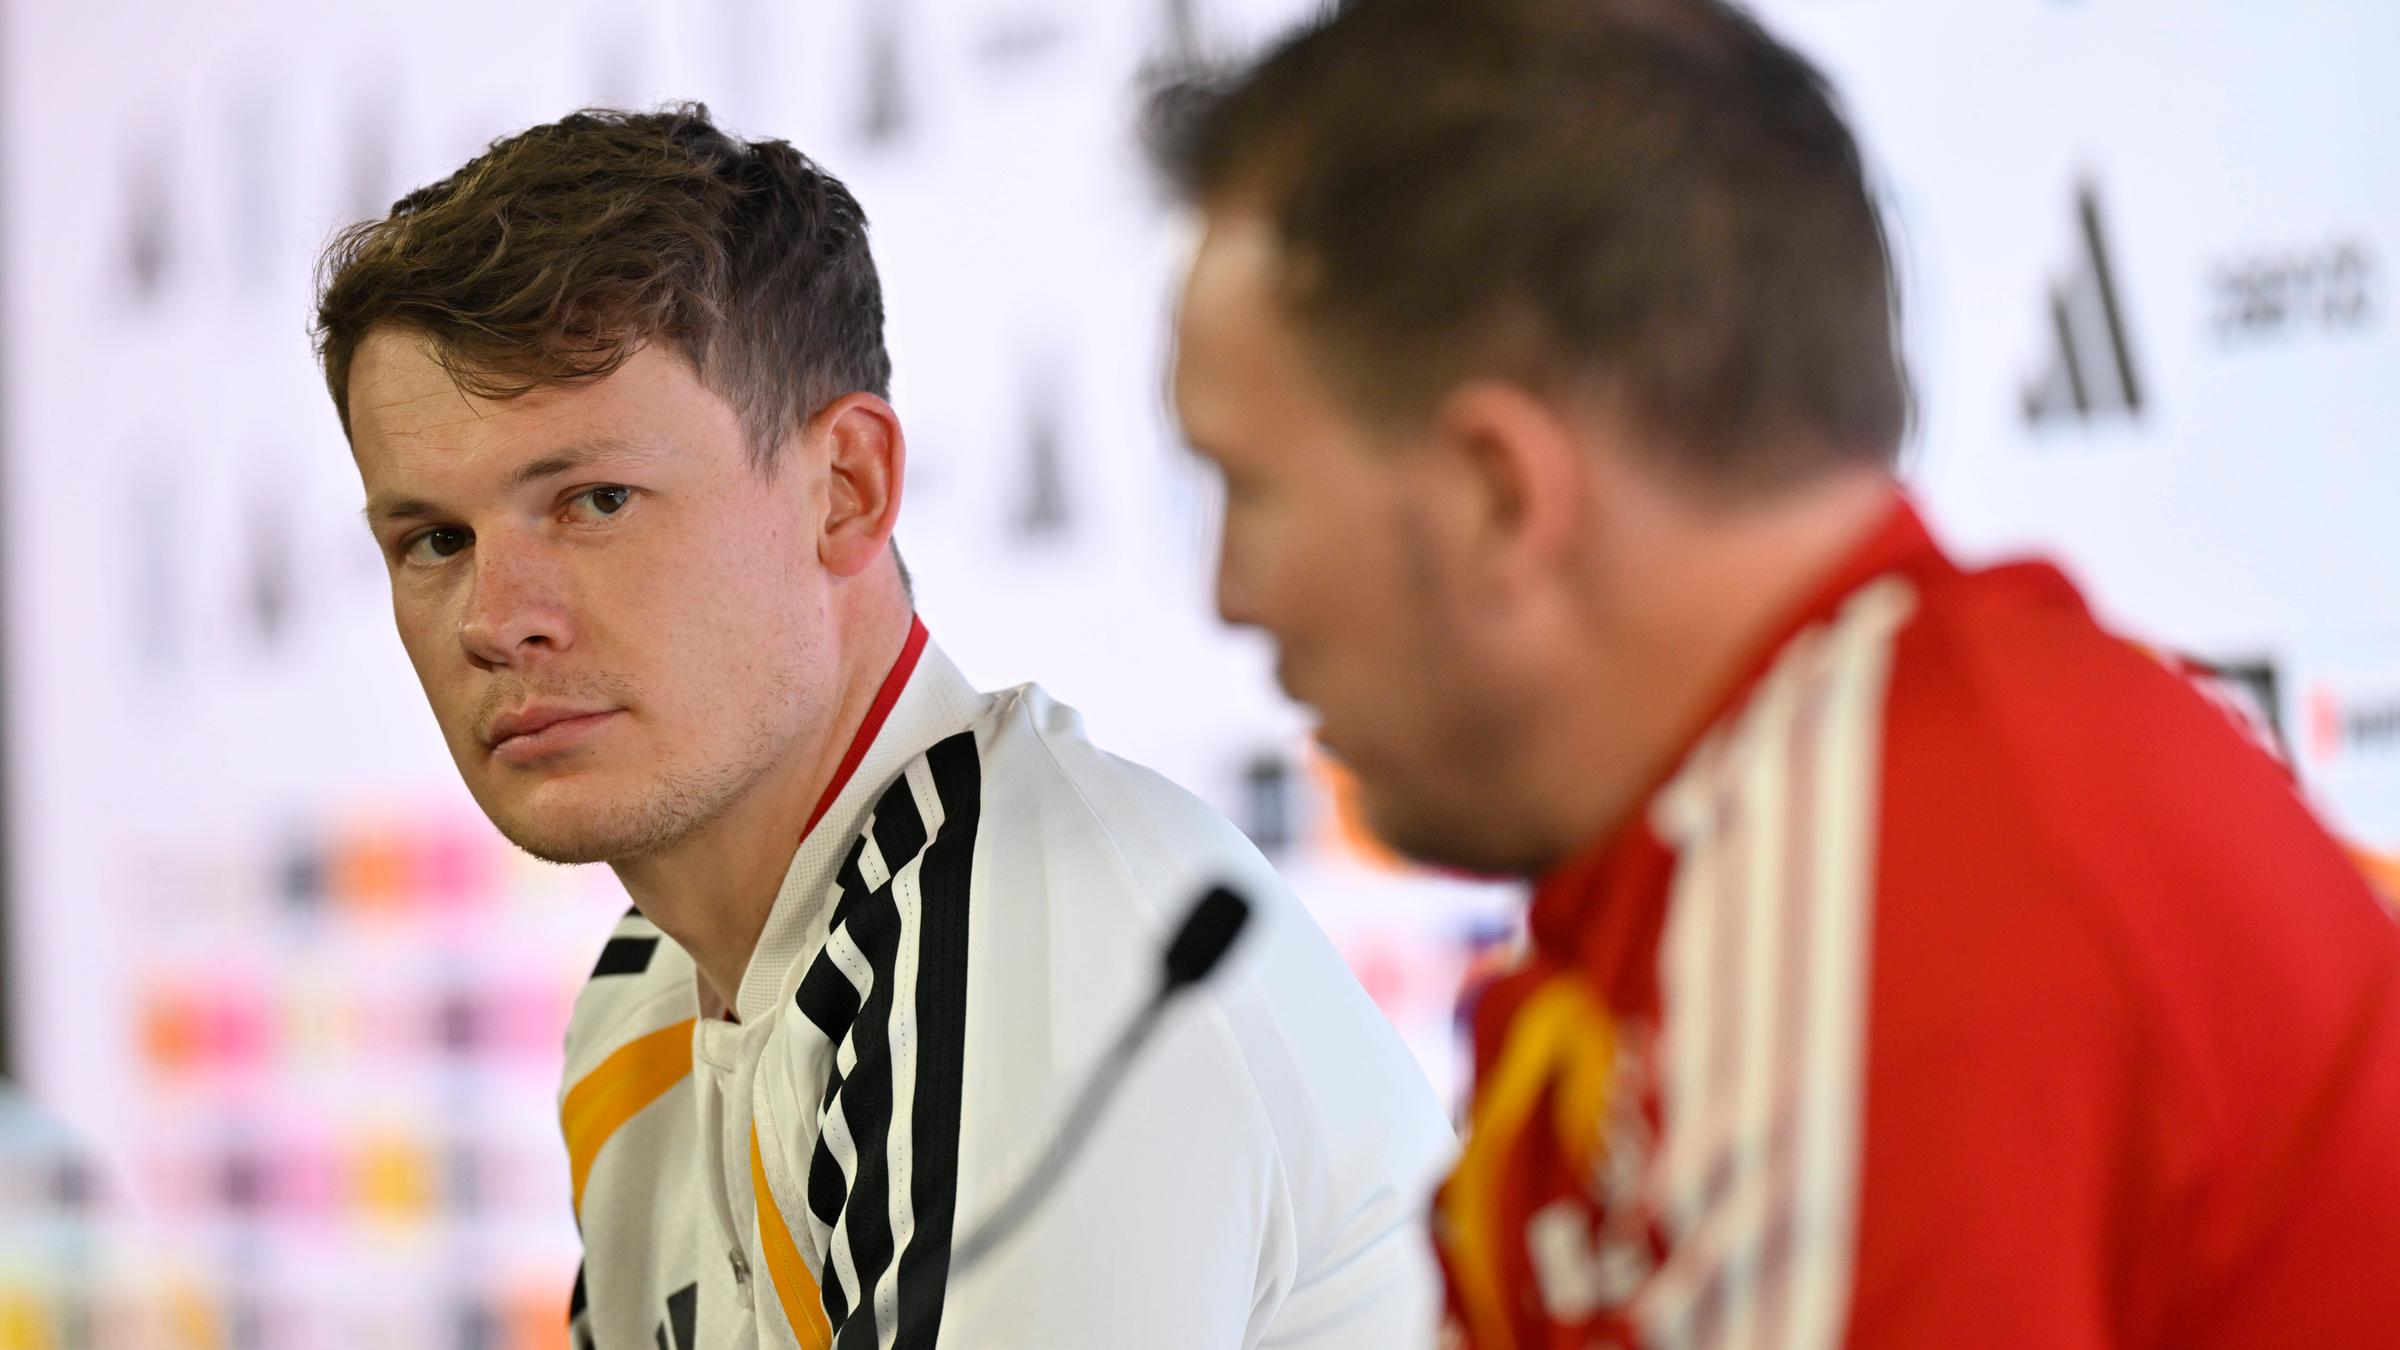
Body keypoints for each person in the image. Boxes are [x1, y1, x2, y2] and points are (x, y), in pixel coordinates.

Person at [1154, 1, 2400, 1345]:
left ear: (1500, 495)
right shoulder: (1751, 848)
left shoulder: (1883, 852)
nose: (1233, 594)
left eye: (1249, 488)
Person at [313, 105, 1451, 1350]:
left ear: (845, 489)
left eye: (594, 500)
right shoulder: (641, 1000)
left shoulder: (1039, 937)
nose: (494, 618)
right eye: (433, 539)